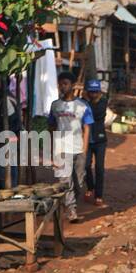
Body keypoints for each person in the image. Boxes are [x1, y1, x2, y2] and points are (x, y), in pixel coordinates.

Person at [48, 73, 92, 222]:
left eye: (65, 83)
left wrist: (85, 150)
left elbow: (87, 128)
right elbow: (51, 126)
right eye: (60, 84)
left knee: (78, 182)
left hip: (78, 149)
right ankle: (71, 210)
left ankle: (70, 204)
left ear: (72, 85)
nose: (62, 86)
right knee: (66, 182)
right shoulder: (55, 105)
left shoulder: (82, 105)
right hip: (61, 150)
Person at [82, 79, 109, 207]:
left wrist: (85, 103)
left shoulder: (103, 103)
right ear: (88, 92)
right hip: (87, 140)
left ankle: (99, 195)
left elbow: (96, 115)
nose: (93, 95)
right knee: (86, 165)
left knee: (99, 168)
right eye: (91, 92)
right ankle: (90, 187)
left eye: (95, 92)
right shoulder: (84, 103)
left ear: (99, 92)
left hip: (100, 140)